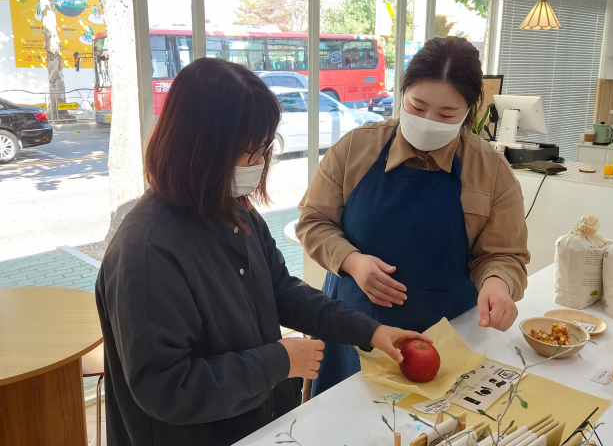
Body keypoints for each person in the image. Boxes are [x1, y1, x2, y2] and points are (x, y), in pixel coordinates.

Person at [95, 57, 428, 446]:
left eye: (263, 149)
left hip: (260, 423)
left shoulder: (232, 210)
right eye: (250, 151)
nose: (258, 163)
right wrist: (281, 361)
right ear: (201, 150)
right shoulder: (146, 254)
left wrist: (371, 331)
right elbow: (167, 387)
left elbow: (281, 291)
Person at [296, 36, 530, 396]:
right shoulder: (356, 148)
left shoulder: (490, 171)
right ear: (401, 93)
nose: (428, 121)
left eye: (446, 114)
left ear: (469, 111)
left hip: (445, 340)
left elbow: (504, 254)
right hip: (353, 330)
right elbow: (312, 220)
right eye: (417, 107)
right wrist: (352, 261)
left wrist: (498, 283)